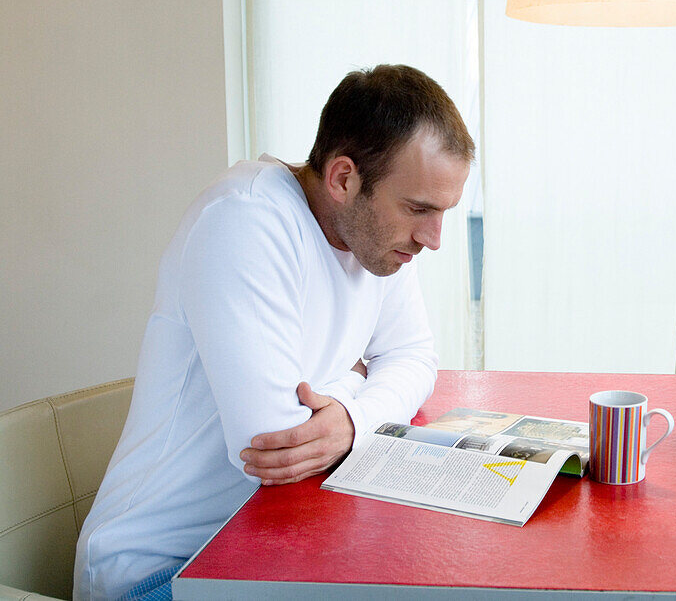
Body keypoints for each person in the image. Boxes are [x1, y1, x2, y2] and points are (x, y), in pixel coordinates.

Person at [74, 64, 474, 601]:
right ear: (344, 179)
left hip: (266, 546)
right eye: (419, 209)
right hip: (165, 570)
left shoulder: (379, 239)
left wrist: (351, 418)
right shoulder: (245, 221)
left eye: (443, 211)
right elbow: (275, 448)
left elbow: (414, 356)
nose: (434, 238)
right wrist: (356, 380)